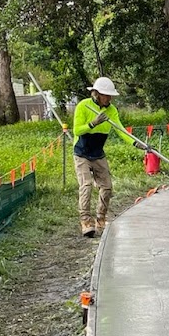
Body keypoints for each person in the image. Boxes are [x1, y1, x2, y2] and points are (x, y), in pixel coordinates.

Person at [72, 77, 120, 237]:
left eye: (110, 95)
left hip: (98, 153)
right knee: (86, 185)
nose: (109, 98)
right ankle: (86, 222)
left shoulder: (112, 110)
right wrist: (93, 123)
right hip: (82, 153)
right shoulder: (83, 106)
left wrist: (137, 144)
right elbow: (77, 131)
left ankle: (101, 219)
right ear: (97, 94)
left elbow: (121, 130)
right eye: (106, 95)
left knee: (106, 187)